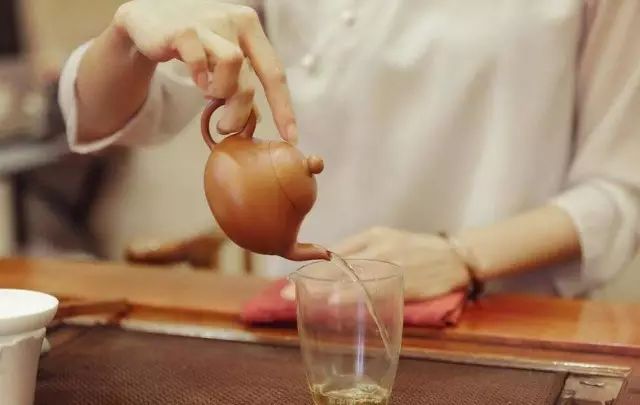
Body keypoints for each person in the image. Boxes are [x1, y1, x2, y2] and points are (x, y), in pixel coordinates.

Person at [59, 0, 640, 300]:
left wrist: (461, 257)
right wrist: (128, 34)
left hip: (505, 323)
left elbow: (619, 189)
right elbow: (105, 117)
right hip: (309, 320)